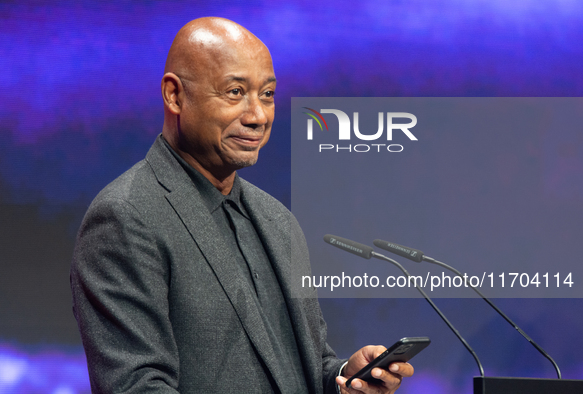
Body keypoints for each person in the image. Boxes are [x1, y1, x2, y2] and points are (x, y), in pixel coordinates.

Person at [70, 17, 414, 393]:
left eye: (267, 94)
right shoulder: (125, 216)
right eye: (235, 92)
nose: (257, 116)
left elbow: (306, 366)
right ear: (174, 95)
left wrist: (343, 379)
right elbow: (135, 386)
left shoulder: (277, 221)